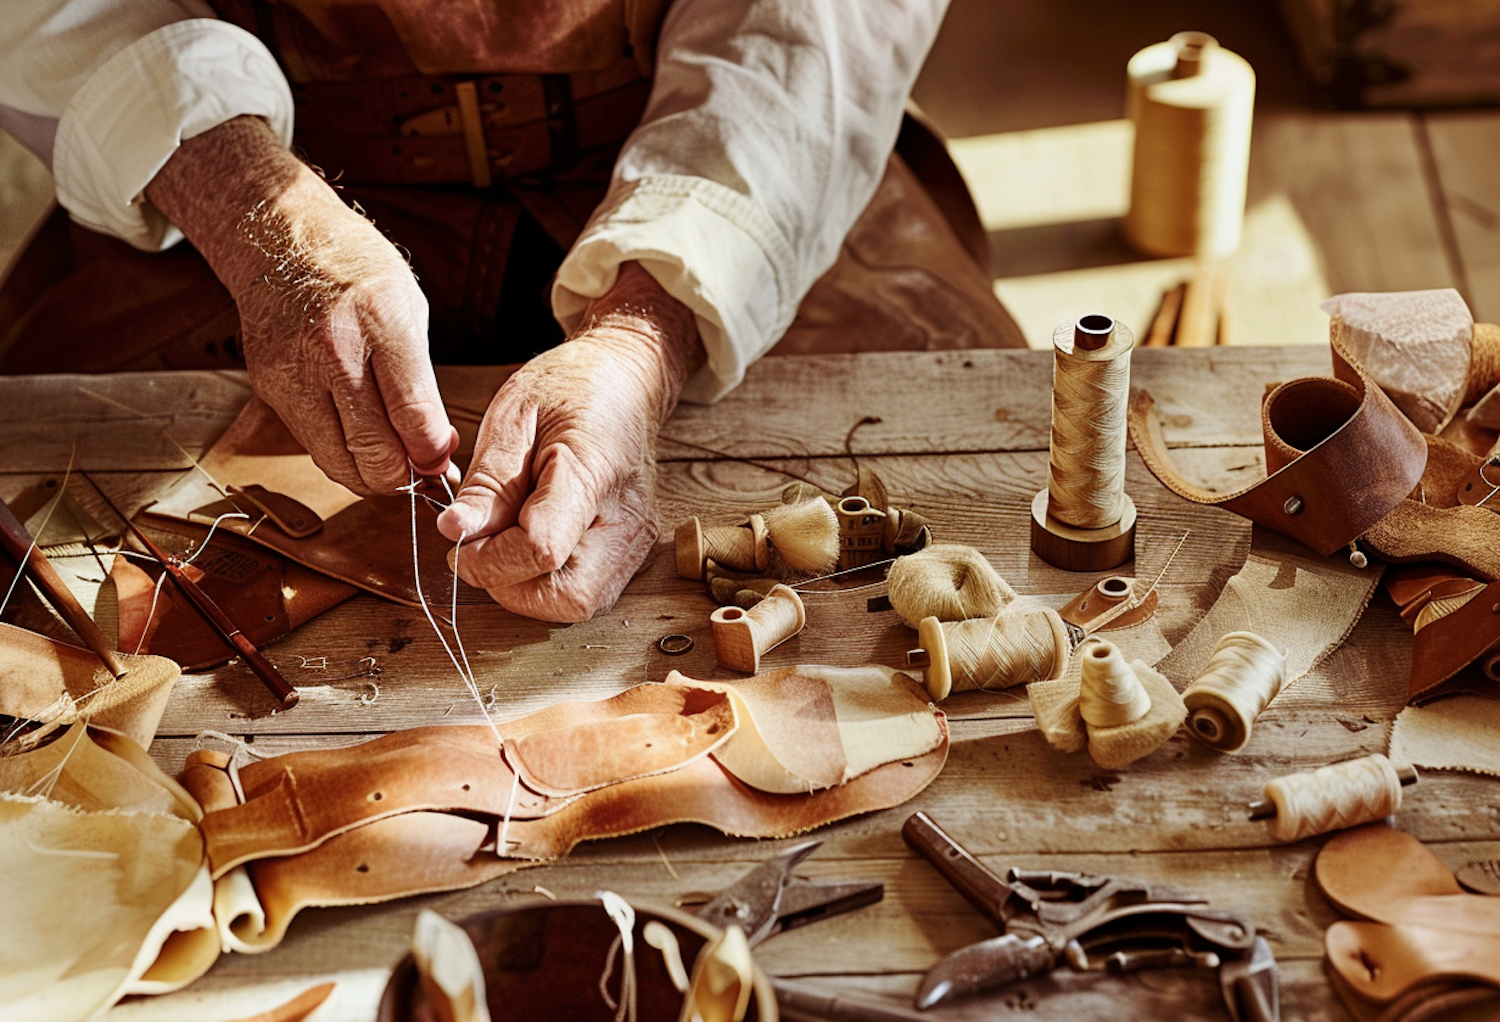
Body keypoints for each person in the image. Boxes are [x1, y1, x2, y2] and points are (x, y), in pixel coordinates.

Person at [0, 0, 1023, 621]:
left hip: (714, 143)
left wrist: (643, 333)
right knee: (56, 561)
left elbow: (814, 29)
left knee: (963, 474)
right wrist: (253, 215)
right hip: (231, 148)